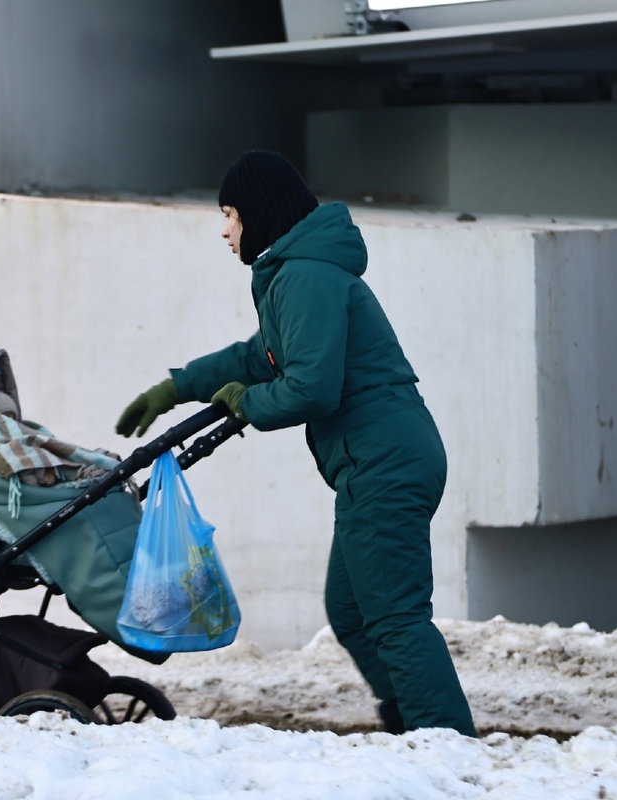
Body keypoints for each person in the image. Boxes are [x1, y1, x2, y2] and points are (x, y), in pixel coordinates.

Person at [115, 150, 477, 737]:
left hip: (381, 458)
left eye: (229, 215)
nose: (224, 231)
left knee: (394, 617)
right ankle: (412, 725)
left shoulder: (306, 277)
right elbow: (260, 357)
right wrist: (179, 386)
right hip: (378, 456)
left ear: (257, 212)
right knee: (352, 611)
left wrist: (246, 403)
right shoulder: (295, 273)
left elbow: (312, 388)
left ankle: (444, 741)